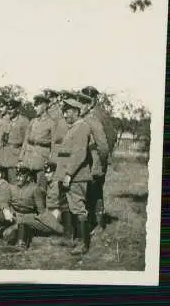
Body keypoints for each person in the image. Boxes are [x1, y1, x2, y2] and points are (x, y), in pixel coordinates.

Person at [45, 96, 93, 255]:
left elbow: (79, 154)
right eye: (64, 111)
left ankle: (83, 243)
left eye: (68, 112)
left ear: (77, 112)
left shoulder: (82, 127)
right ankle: (70, 237)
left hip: (76, 176)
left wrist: (68, 174)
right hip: (66, 174)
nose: (65, 115)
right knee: (68, 206)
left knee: (78, 208)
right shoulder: (72, 127)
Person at [77, 89, 112, 234]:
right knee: (88, 192)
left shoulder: (99, 115)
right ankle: (90, 222)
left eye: (90, 98)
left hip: (96, 162)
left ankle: (98, 224)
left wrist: (100, 161)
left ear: (94, 99)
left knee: (95, 192)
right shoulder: (83, 117)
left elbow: (107, 141)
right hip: (87, 161)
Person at [18, 94, 56, 184]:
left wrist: (51, 161)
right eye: (34, 105)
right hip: (28, 159)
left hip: (42, 160)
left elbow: (54, 145)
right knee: (27, 186)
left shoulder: (52, 123)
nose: (35, 108)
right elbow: (25, 141)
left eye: (37, 105)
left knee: (41, 187)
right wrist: (21, 158)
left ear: (44, 106)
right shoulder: (32, 122)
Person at [0, 99, 30, 184]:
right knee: (1, 181)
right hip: (3, 155)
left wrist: (21, 158)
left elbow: (26, 141)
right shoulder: (5, 120)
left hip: (15, 155)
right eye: (8, 109)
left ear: (17, 109)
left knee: (13, 181)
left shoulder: (24, 121)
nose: (9, 111)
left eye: (12, 109)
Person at [44, 89, 68, 163]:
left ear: (54, 99)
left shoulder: (58, 112)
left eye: (49, 98)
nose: (47, 100)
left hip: (54, 146)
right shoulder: (46, 111)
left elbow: (59, 134)